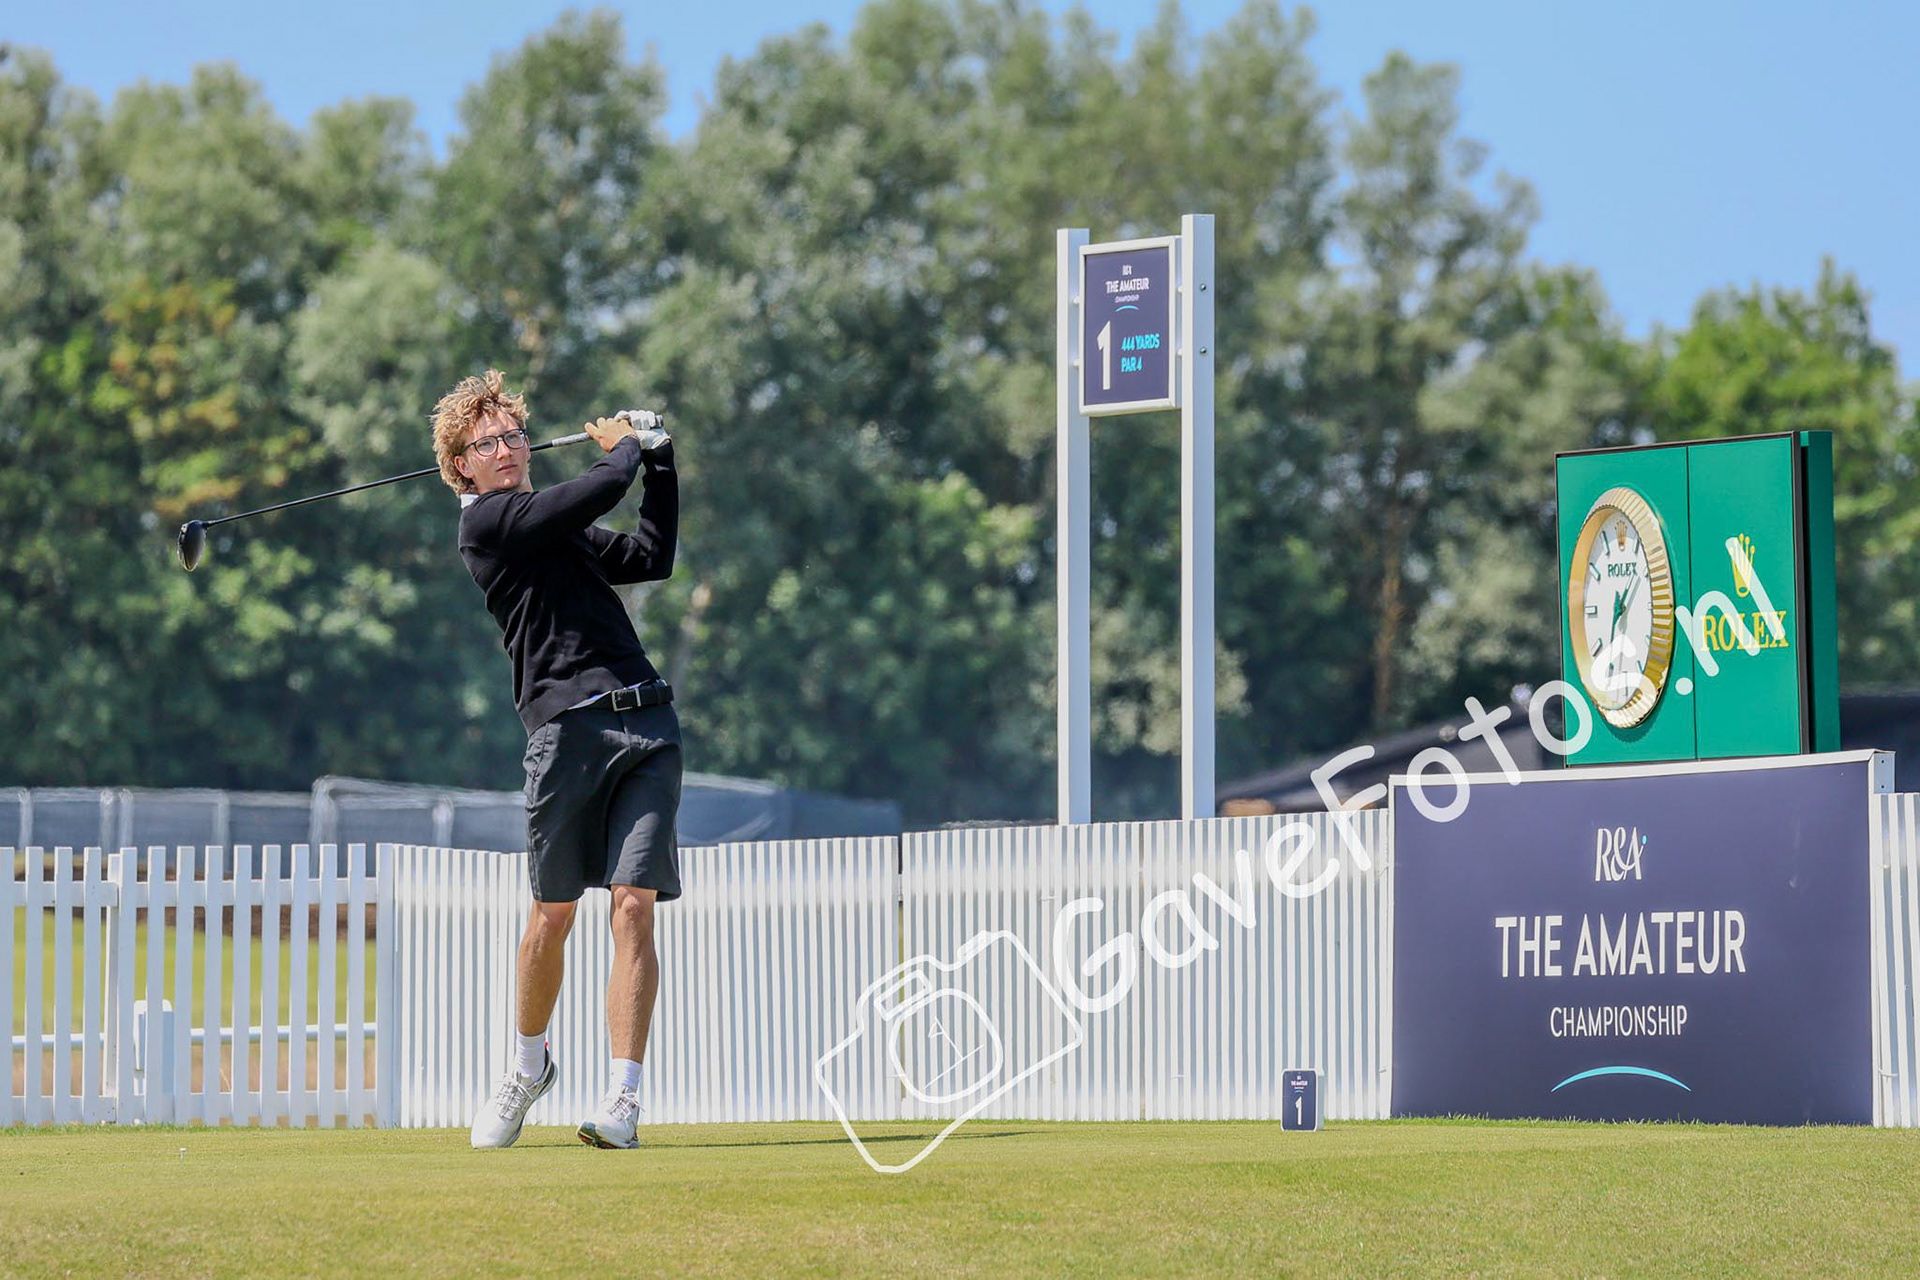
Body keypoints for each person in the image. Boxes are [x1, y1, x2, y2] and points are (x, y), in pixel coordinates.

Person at [430, 369, 680, 1151]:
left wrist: (661, 464)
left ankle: (622, 1099)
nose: (508, 450)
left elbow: (651, 556)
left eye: (514, 437)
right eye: (488, 444)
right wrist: (625, 448)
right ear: (461, 466)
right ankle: (528, 1066)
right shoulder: (488, 526)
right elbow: (598, 489)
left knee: (632, 905)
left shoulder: (554, 524)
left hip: (647, 722)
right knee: (553, 913)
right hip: (565, 735)